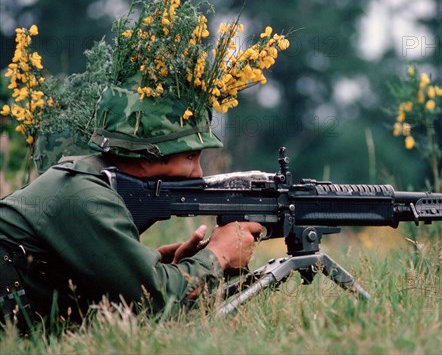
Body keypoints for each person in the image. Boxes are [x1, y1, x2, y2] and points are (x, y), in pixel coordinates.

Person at [0, 85, 262, 330]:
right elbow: (154, 304)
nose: (198, 173)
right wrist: (218, 255)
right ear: (147, 157)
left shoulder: (84, 180)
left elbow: (115, 297)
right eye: (191, 157)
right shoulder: (86, 196)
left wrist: (166, 269)